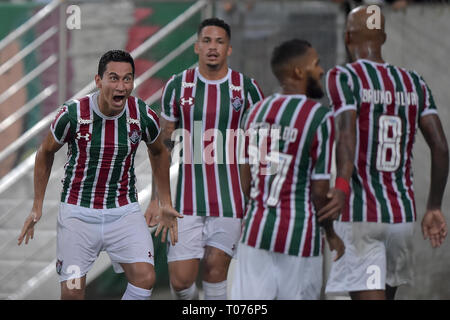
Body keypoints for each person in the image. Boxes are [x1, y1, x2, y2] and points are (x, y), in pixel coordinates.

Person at [17, 50, 182, 300]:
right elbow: (45, 152)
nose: (121, 86)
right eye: (113, 78)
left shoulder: (142, 115)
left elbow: (158, 152)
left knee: (145, 278)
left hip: (123, 211)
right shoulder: (73, 113)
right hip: (78, 214)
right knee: (72, 293)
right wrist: (37, 205)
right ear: (98, 81)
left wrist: (160, 201)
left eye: (127, 79)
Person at [320, 6, 449, 300]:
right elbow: (440, 147)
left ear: (347, 37)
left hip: (361, 215)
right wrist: (433, 207)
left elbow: (346, 134)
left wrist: (340, 186)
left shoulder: (344, 77)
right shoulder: (414, 82)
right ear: (384, 38)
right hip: (400, 218)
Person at [146, 18, 264, 300]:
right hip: (186, 202)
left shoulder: (247, 88)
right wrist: (158, 198)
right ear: (197, 46)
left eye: (220, 42)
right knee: (181, 280)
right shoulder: (178, 86)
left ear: (229, 49)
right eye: (207, 41)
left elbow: (258, 148)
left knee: (214, 270)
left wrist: (257, 201)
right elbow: (162, 146)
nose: (213, 47)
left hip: (231, 200)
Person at [229, 39, 345, 300]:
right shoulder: (320, 117)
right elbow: (319, 193)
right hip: (299, 237)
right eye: (316, 64)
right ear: (298, 72)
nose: (322, 70)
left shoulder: (254, 112)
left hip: (256, 232)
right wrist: (330, 233)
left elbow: (244, 182)